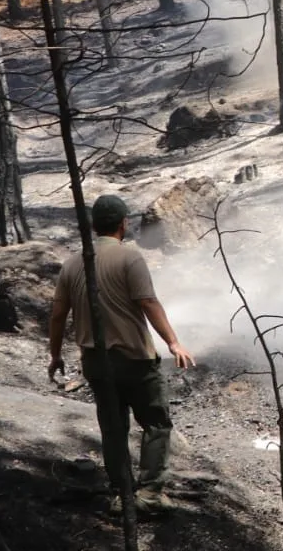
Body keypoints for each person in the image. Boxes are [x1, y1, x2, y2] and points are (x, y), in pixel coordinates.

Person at [48, 195, 194, 514]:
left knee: (114, 429)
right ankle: (150, 493)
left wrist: (55, 355)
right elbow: (148, 302)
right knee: (156, 423)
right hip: (135, 360)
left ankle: (122, 494)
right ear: (123, 224)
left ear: (92, 226)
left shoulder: (73, 263)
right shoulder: (130, 258)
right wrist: (173, 342)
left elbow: (58, 315)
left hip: (96, 363)